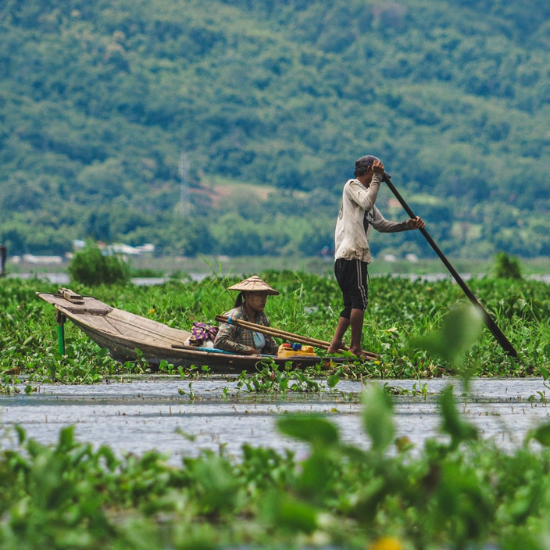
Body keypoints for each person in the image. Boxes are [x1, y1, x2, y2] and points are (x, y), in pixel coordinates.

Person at [328, 155, 425, 359]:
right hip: (351, 254)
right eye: (376, 176)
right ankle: (355, 347)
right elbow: (367, 200)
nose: (378, 181)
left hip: (353, 256)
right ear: (369, 172)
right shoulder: (352, 186)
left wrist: (406, 226)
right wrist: (376, 179)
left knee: (351, 303)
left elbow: (381, 225)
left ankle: (335, 344)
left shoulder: (366, 198)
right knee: (359, 301)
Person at [214, 275, 280, 356]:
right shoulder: (235, 316)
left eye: (265, 296)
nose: (263, 300)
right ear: (248, 295)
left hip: (260, 361)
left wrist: (280, 350)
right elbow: (220, 341)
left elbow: (270, 343)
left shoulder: (262, 317)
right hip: (238, 362)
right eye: (260, 296)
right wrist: (248, 350)